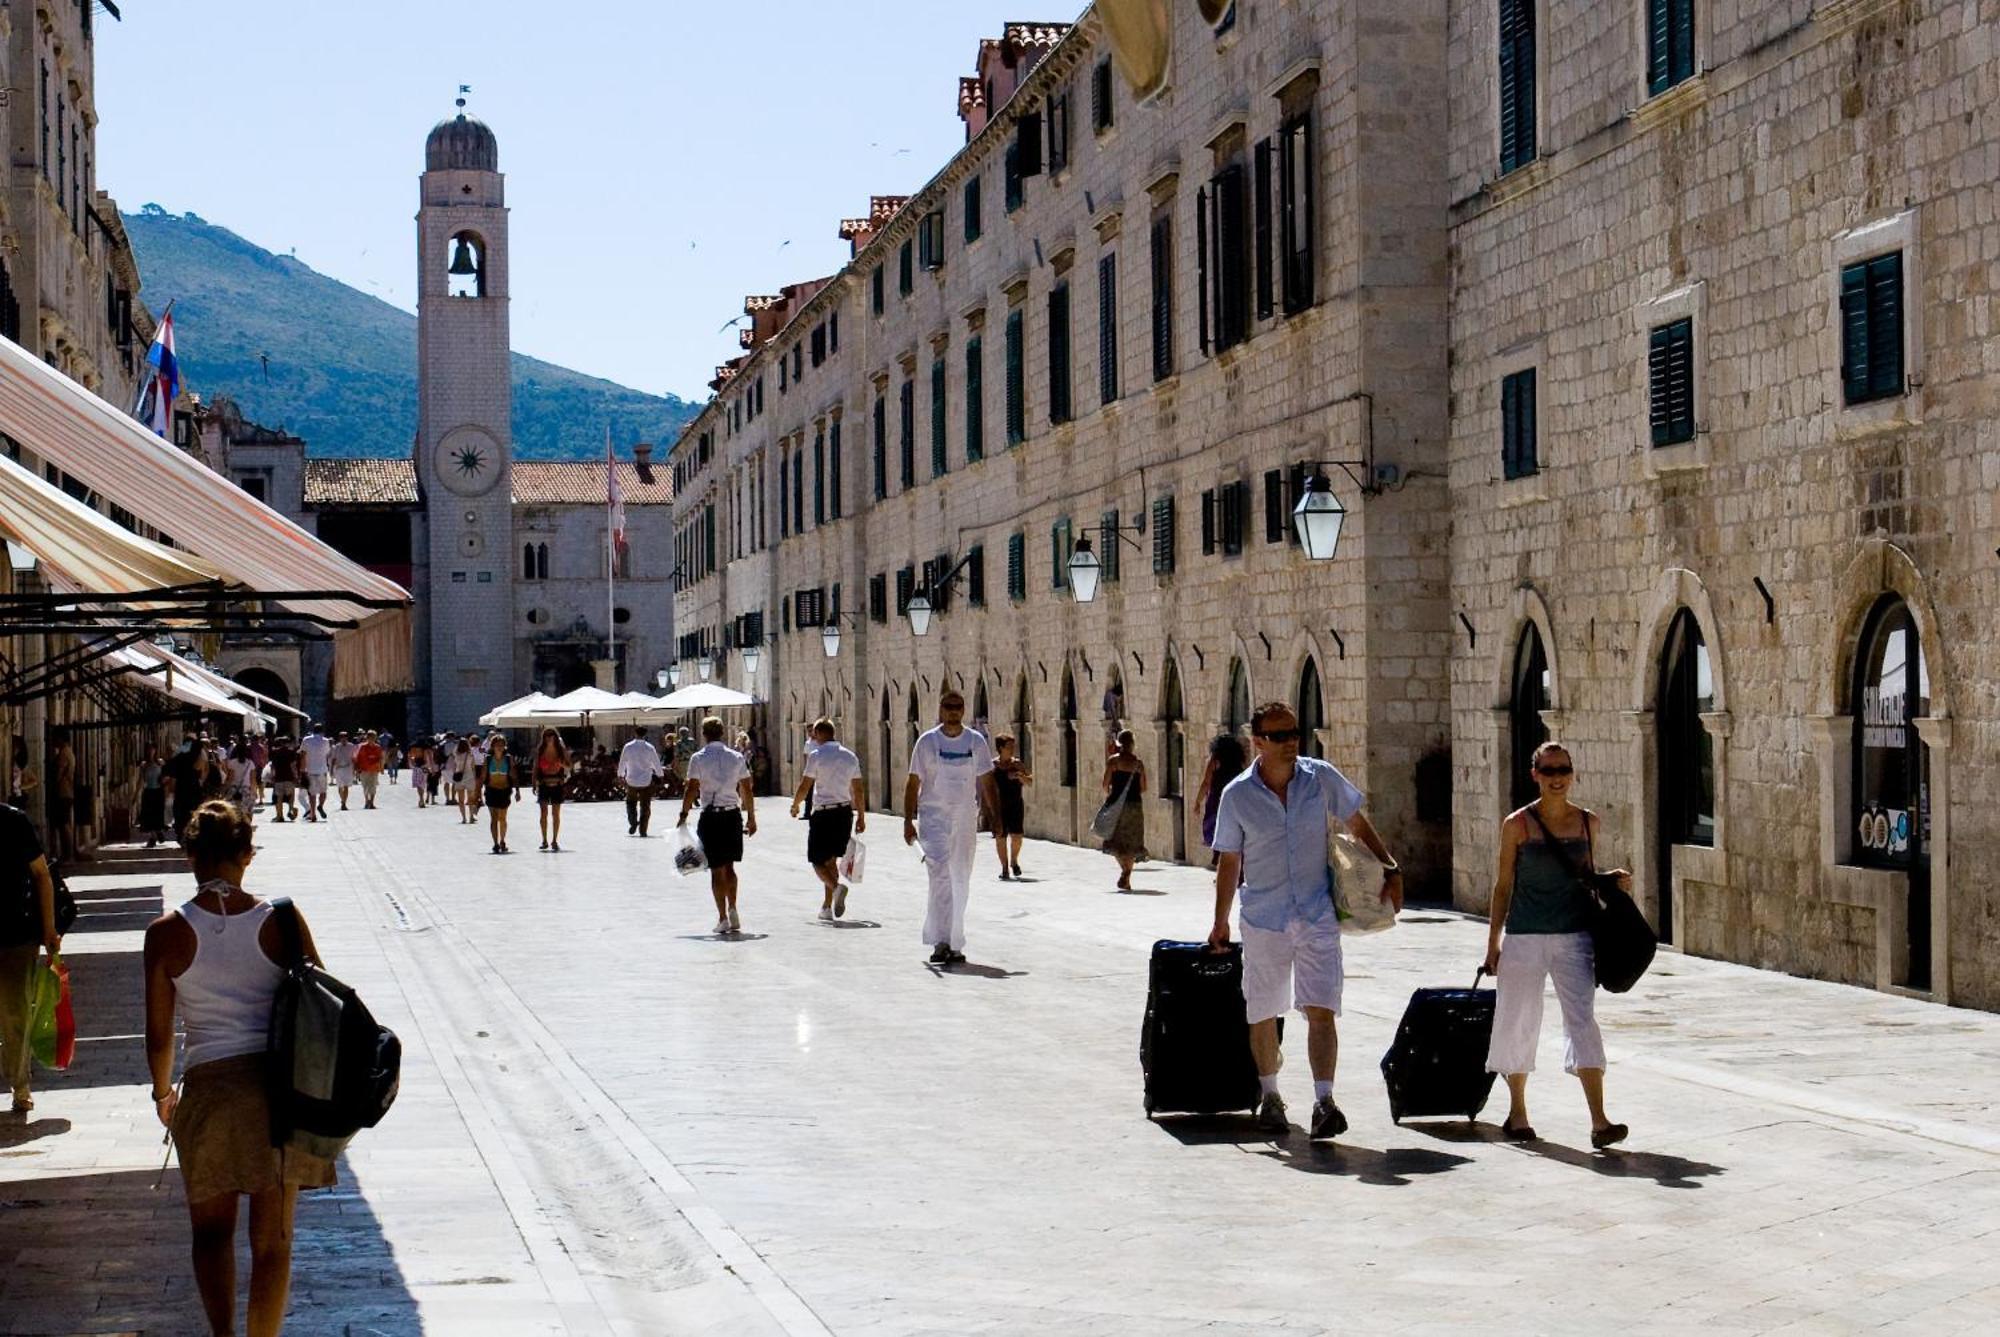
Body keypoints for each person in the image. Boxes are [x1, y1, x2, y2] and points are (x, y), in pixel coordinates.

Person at [143, 800, 335, 1337]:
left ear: (190, 857)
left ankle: (223, 1335)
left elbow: (159, 1037)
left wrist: (163, 1095)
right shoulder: (282, 920)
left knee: (210, 1233)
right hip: (277, 1095)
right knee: (272, 1240)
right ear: (247, 855)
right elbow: (323, 1002)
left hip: (206, 1092)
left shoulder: (166, 933)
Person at [1207, 702, 1403, 1141]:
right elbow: (1229, 862)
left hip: (1316, 914)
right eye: (1278, 736)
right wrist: (1220, 921)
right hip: (1264, 918)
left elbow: (1356, 820)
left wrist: (1390, 867)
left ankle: (1324, 1101)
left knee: (1322, 1009)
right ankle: (1271, 1097)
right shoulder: (1237, 795)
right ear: (1257, 741)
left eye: (1294, 733)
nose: (1290, 742)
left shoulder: (1321, 777)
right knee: (1262, 1009)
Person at [1483, 741, 1631, 1149]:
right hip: (1525, 937)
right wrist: (1492, 942)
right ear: (1535, 774)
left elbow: (1584, 877)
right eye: (1548, 770)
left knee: (1582, 1020)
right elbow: (1503, 886)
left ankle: (1600, 1121)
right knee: (1518, 1019)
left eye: (1563, 769)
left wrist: (1607, 879)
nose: (1556, 778)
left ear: (1572, 772)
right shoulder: (1517, 825)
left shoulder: (1588, 823)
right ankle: (1517, 1113)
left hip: (1574, 937)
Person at [903, 690, 998, 966]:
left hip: (965, 817)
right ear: (941, 710)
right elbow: (913, 783)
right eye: (948, 707)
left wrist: (996, 817)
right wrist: (908, 820)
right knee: (940, 874)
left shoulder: (975, 741)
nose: (953, 711)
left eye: (958, 707)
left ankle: (955, 940)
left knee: (961, 876)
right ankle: (940, 941)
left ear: (964, 709)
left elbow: (987, 781)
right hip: (933, 818)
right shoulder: (927, 742)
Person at [1, 797, 61, 1117]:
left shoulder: (14, 821)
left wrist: (49, 928)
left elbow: (41, 874)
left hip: (16, 934)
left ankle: (20, 1085)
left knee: (16, 1012)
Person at [677, 716, 756, 934]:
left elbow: (691, 787)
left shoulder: (698, 758)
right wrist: (751, 817)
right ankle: (733, 907)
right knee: (730, 866)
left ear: (704, 734)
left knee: (715, 870)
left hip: (710, 817)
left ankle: (722, 917)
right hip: (732, 816)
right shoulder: (736, 757)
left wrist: (683, 814)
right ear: (722, 733)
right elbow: (747, 788)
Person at [790, 718, 866, 921]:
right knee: (831, 860)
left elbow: (805, 785)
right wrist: (861, 816)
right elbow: (858, 789)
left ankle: (836, 888)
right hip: (843, 813)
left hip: (823, 814)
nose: (813, 737)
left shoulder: (816, 756)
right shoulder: (850, 756)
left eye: (814, 734)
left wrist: (795, 804)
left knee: (816, 860)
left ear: (820, 734)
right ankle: (827, 906)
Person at [1099, 730, 1149, 891]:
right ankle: (1126, 876)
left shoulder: (1113, 762)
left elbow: (1105, 784)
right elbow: (1144, 787)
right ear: (1133, 745)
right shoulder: (1138, 764)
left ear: (1120, 744)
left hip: (1116, 805)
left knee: (1116, 842)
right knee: (1132, 843)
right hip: (1134, 805)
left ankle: (1125, 873)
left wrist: (1111, 795)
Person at [1194, 731, 1249, 867]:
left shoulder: (1215, 760)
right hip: (1235, 799)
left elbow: (1206, 782)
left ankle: (1219, 861)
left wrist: (1198, 801)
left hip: (1217, 800)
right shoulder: (1239, 762)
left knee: (1217, 831)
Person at [989, 733, 1031, 879]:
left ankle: (1014, 860)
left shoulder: (1017, 764)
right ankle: (1004, 868)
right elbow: (987, 787)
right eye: (1009, 746)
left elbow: (1030, 782)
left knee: (1017, 836)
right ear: (1000, 748)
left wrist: (1020, 776)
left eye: (1013, 746)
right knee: (1000, 837)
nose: (1012, 749)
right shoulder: (992, 766)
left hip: (1015, 805)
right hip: (999, 807)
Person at [617, 726, 665, 837]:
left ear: (635, 733)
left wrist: (620, 775)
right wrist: (660, 775)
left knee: (631, 803)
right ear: (645, 735)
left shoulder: (628, 747)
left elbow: (622, 762)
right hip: (646, 780)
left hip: (631, 780)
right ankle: (643, 830)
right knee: (645, 805)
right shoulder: (650, 748)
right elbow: (656, 763)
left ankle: (633, 822)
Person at [532, 729, 571, 851]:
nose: (549, 737)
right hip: (544, 783)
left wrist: (561, 764)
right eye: (547, 735)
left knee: (556, 814)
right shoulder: (540, 751)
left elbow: (569, 765)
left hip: (557, 783)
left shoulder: (561, 751)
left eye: (551, 735)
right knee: (543, 813)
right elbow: (535, 767)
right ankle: (544, 839)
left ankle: (554, 840)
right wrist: (534, 783)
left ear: (555, 737)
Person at [481, 734, 518, 853]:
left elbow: (513, 775)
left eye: (502, 745)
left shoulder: (508, 758)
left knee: (502, 817)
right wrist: (476, 793)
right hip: (491, 790)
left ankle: (502, 840)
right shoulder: (488, 759)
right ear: (492, 746)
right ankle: (495, 843)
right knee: (494, 818)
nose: (499, 747)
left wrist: (517, 790)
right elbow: (482, 776)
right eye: (497, 745)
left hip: (504, 790)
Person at [49, 732, 77, 863]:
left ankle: (68, 855)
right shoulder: (69, 752)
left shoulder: (63, 754)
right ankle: (68, 854)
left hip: (63, 793)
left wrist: (53, 785)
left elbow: (58, 774)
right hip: (67, 792)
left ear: (62, 739)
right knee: (65, 824)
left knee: (64, 824)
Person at [138, 745, 170, 846]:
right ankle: (153, 837)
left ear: (155, 751)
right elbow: (141, 780)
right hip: (148, 792)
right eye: (149, 750)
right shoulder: (144, 765)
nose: (151, 751)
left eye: (152, 749)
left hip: (158, 792)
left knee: (158, 814)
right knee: (148, 815)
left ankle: (158, 832)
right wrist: (135, 794)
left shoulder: (160, 762)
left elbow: (168, 775)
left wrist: (164, 782)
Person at [298, 724, 331, 822]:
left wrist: (302, 770)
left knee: (312, 794)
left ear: (313, 730)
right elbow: (327, 754)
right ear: (322, 731)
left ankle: (313, 815)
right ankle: (320, 806)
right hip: (322, 770)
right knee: (323, 792)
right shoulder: (326, 741)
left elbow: (302, 755)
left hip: (310, 770)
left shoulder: (306, 740)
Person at [266, 736, 300, 823]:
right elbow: (293, 765)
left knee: (279, 797)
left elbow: (272, 766)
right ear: (288, 743)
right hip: (289, 777)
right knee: (291, 795)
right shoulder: (291, 752)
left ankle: (280, 816)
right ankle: (291, 810)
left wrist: (272, 776)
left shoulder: (275, 752)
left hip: (278, 777)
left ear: (280, 743)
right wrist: (296, 776)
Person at [353, 732, 385, 810]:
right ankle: (367, 800)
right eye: (370, 737)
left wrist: (381, 768)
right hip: (364, 769)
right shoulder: (362, 747)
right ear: (367, 738)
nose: (372, 739)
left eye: (373, 737)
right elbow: (357, 758)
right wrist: (356, 768)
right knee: (365, 786)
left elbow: (381, 758)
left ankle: (372, 802)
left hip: (374, 769)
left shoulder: (378, 747)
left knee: (373, 786)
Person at [225, 742, 257, 819]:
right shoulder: (250, 763)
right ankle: (247, 826)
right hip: (246, 790)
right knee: (248, 811)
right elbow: (252, 780)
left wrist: (225, 790)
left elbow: (230, 778)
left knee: (234, 810)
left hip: (234, 790)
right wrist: (254, 792)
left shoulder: (232, 762)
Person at [328, 731, 357, 811]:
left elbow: (354, 758)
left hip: (348, 768)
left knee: (346, 786)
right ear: (340, 738)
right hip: (339, 768)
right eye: (342, 737)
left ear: (347, 738)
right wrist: (331, 770)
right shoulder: (336, 747)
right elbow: (333, 758)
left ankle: (344, 803)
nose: (343, 739)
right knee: (340, 786)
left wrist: (355, 769)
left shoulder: (351, 746)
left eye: (345, 737)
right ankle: (342, 799)